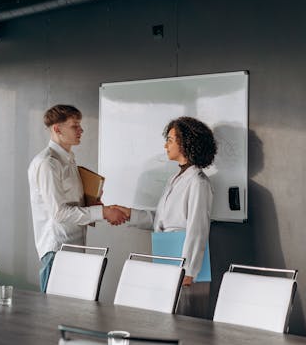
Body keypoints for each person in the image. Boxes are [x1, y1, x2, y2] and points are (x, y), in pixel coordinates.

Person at [115, 116, 217, 317]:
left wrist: (189, 271)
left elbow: (198, 229)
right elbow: (161, 220)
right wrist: (130, 214)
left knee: (186, 324)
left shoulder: (198, 182)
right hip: (167, 258)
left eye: (170, 140)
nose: (165, 145)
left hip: (186, 267)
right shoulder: (175, 178)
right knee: (167, 322)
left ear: (186, 142)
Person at [28, 104, 129, 293]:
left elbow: (68, 204)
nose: (81, 130)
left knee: (70, 313)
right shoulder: (48, 163)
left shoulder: (68, 160)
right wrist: (103, 212)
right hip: (57, 249)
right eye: (75, 126)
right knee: (52, 314)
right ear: (57, 129)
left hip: (73, 247)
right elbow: (59, 213)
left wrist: (91, 204)